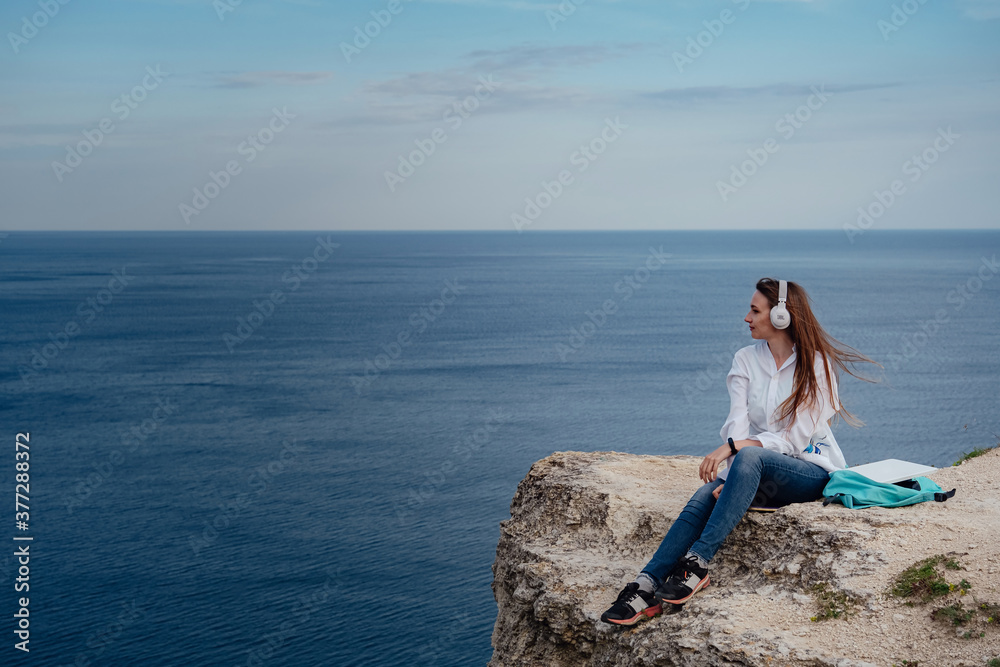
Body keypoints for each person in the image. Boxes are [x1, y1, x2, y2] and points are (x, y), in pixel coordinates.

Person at [600, 277, 880, 626]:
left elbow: (793, 441)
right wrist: (734, 473)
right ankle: (644, 588)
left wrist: (736, 452)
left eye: (754, 310)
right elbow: (737, 425)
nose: (746, 318)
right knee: (707, 493)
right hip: (754, 474)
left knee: (747, 456)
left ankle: (698, 562)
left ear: (781, 316)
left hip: (807, 473)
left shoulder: (818, 366)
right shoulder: (745, 360)